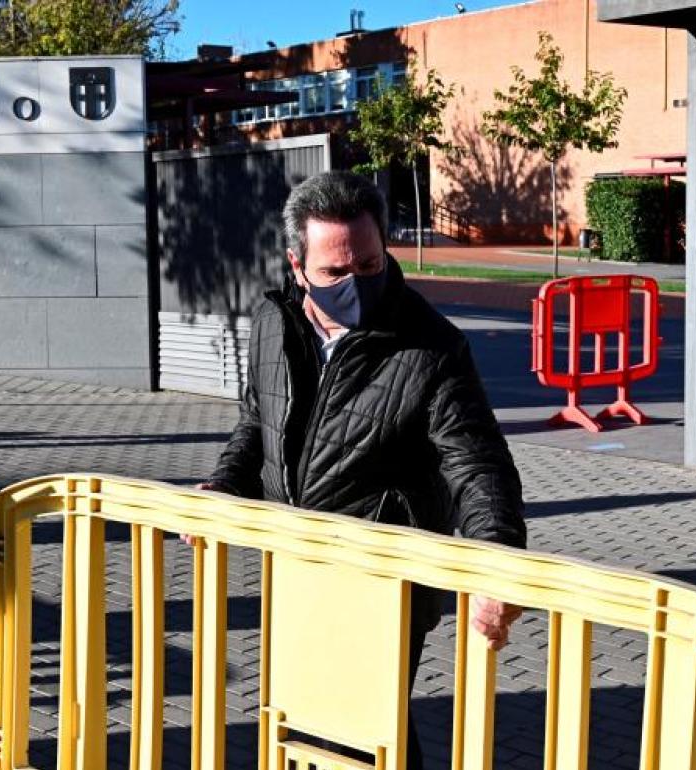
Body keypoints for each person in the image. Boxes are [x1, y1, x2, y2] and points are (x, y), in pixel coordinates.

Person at [198, 170, 526, 769]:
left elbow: (477, 464)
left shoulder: (431, 345)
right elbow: (258, 422)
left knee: (352, 732)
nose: (356, 285)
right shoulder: (273, 323)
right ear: (297, 265)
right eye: (336, 273)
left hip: (384, 578)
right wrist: (224, 485)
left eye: (370, 266)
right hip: (296, 566)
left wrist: (496, 563)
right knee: (336, 730)